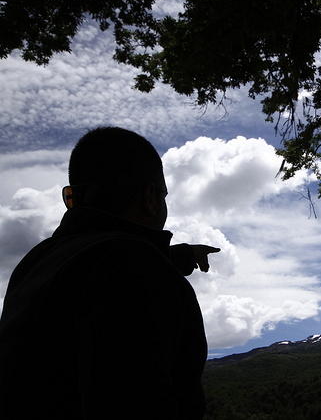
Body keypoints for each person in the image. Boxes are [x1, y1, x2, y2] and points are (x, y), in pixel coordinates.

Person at [0, 127, 218, 419]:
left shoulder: (36, 262)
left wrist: (180, 255)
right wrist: (159, 266)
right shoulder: (141, 271)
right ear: (151, 197)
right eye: (163, 195)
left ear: (73, 198)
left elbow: (93, 264)